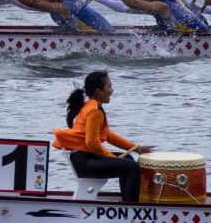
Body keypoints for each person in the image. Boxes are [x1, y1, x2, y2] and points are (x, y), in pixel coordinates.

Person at [53, 71, 153, 202]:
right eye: (109, 87)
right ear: (98, 91)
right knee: (131, 167)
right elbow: (92, 143)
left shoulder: (90, 105)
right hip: (84, 162)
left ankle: (128, 201)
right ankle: (132, 208)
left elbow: (108, 135)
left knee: (128, 158)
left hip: (83, 158)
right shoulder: (94, 110)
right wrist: (111, 157)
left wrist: (135, 148)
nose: (112, 90)